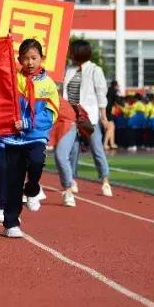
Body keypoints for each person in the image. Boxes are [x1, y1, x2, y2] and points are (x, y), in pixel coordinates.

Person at [1, 39, 58, 239]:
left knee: (36, 163)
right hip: (13, 138)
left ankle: (32, 188)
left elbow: (51, 114)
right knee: (13, 181)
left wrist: (28, 123)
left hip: (35, 136)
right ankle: (11, 223)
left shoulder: (48, 84)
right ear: (19, 60)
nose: (30, 62)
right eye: (25, 59)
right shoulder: (13, 79)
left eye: (34, 58)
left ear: (42, 59)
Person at [55, 39, 112, 205]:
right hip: (70, 116)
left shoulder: (95, 70)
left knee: (97, 148)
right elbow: (61, 90)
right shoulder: (69, 70)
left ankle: (105, 181)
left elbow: (101, 94)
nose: (69, 54)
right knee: (72, 150)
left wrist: (103, 116)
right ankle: (71, 180)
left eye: (72, 51)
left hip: (89, 118)